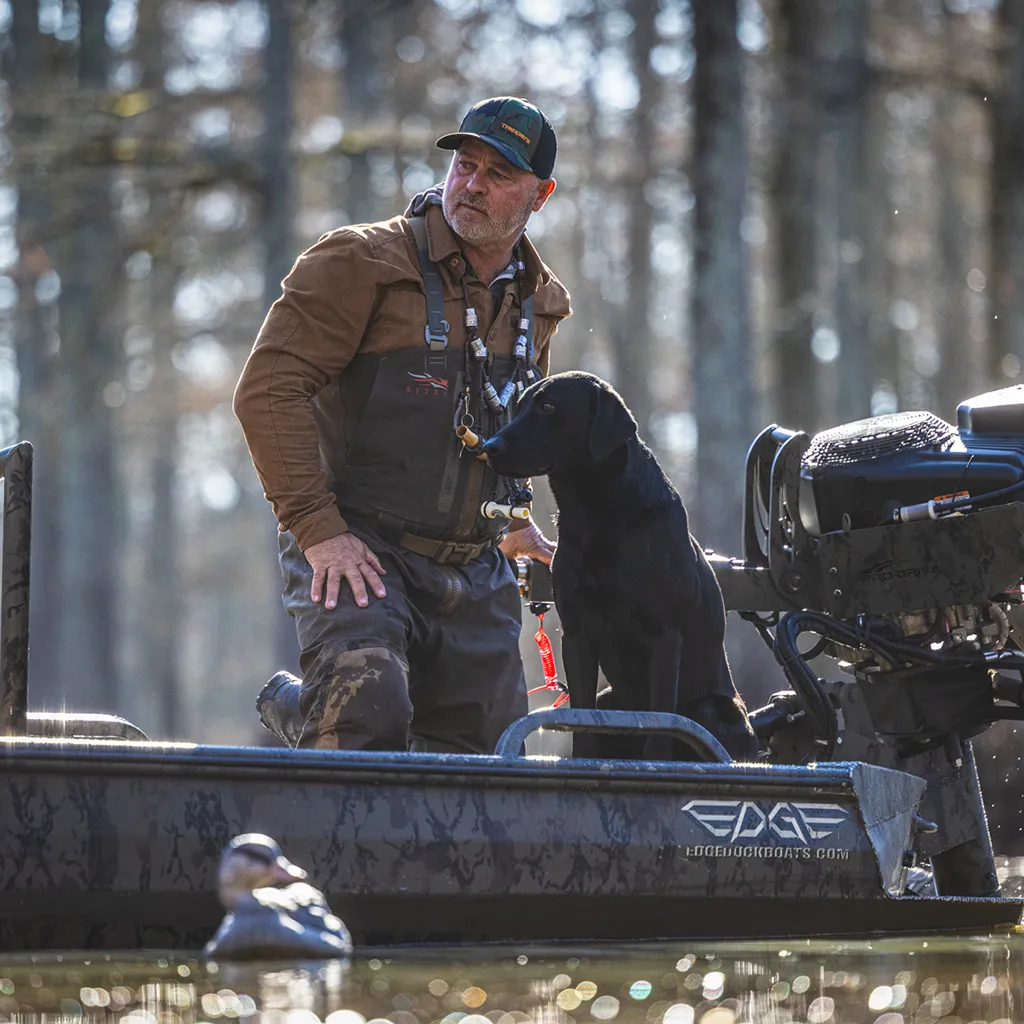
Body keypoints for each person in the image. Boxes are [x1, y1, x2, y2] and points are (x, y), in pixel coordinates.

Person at [233, 96, 572, 754]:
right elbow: (268, 390)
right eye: (465, 164)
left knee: (486, 772)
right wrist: (319, 530)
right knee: (370, 711)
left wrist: (511, 516)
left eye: (499, 173)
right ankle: (319, 718)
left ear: (540, 195)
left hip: (473, 567)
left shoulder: (541, 300)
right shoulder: (360, 261)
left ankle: (313, 714)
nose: (472, 184)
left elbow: (507, 416)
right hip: (360, 548)